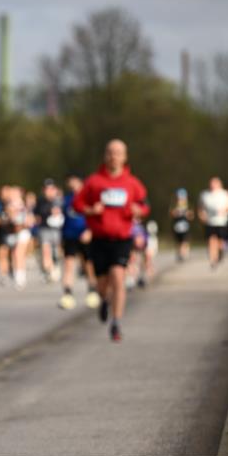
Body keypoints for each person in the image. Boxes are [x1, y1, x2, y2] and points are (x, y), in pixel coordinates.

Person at [73, 139, 149, 342]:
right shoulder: (94, 181)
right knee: (102, 284)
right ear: (105, 156)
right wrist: (91, 210)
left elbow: (144, 205)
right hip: (99, 238)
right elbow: (77, 204)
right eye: (110, 152)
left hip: (122, 238)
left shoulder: (132, 183)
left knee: (118, 276)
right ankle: (104, 300)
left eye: (118, 153)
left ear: (124, 157)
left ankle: (116, 323)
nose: (113, 156)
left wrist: (138, 211)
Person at [59, 176, 99, 309]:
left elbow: (96, 217)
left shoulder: (89, 199)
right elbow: (62, 220)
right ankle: (67, 293)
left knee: (88, 264)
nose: (73, 186)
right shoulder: (66, 200)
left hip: (85, 235)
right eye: (71, 184)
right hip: (70, 236)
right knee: (69, 264)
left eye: (76, 183)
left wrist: (90, 231)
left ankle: (92, 291)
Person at [199, 177, 228, 269]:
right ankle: (212, 259)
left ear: (219, 184)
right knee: (211, 240)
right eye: (211, 183)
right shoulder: (204, 195)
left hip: (221, 221)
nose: (213, 185)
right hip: (210, 222)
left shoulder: (224, 194)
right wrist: (202, 215)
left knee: (220, 241)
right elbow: (200, 207)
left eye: (215, 183)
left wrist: (223, 211)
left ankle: (220, 252)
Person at [35, 179, 64, 283]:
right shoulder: (40, 201)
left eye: (51, 189)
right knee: (45, 250)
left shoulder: (59, 200)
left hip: (57, 230)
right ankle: (49, 271)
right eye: (47, 189)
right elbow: (36, 215)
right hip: (44, 229)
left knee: (56, 251)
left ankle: (56, 264)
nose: (49, 191)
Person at [170, 189, 194, 262]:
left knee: (185, 240)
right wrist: (176, 212)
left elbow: (191, 216)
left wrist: (187, 214)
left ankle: (183, 253)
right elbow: (171, 214)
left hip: (185, 226)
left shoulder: (188, 205)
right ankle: (179, 252)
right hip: (177, 226)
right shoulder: (174, 205)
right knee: (178, 241)